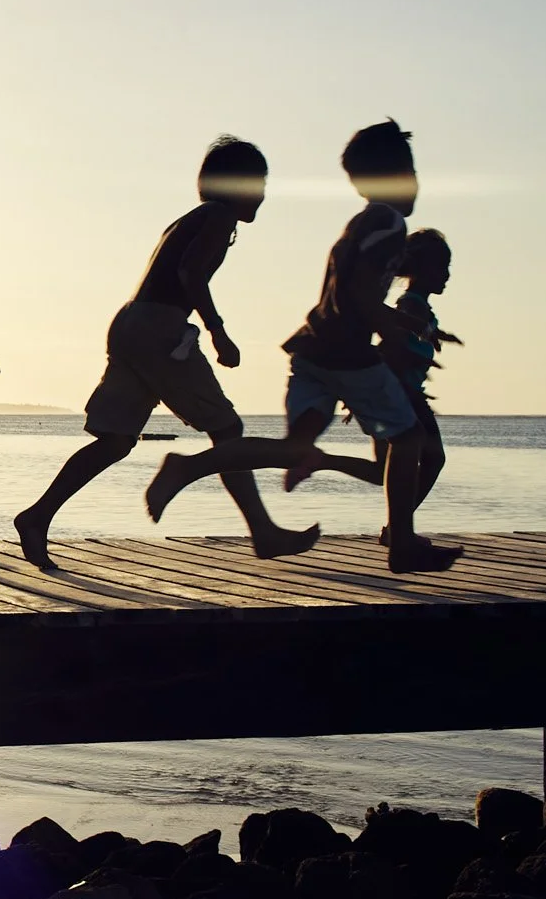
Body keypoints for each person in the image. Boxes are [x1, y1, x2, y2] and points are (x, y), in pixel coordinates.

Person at [144, 120, 463, 573]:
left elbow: (345, 294)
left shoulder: (361, 224)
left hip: (312, 349)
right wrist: (390, 334)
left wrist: (407, 324)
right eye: (407, 171)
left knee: (295, 448)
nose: (414, 182)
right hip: (347, 353)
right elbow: (358, 294)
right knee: (410, 437)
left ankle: (187, 467)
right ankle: (402, 542)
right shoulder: (390, 224)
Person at [13, 136, 320, 568]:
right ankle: (263, 532)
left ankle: (36, 516)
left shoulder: (192, 219)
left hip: (132, 323)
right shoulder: (217, 215)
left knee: (117, 440)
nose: (264, 194)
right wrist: (217, 331)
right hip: (158, 327)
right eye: (261, 183)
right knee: (228, 429)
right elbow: (191, 273)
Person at [375, 227, 460, 543]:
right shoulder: (412, 305)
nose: (447, 276)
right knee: (431, 458)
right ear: (424, 270)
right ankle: (398, 529)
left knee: (427, 459)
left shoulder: (418, 307)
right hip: (406, 395)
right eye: (443, 269)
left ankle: (397, 528)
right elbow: (390, 344)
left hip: (411, 394)